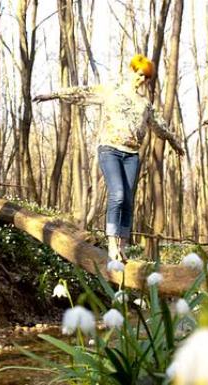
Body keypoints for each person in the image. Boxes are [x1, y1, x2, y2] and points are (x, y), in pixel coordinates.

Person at [33, 54, 185, 261]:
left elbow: (159, 126)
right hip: (110, 150)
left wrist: (175, 142)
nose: (142, 80)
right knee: (119, 193)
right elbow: (81, 92)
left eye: (146, 78)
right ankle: (112, 243)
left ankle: (122, 246)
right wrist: (53, 94)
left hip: (131, 155)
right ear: (132, 71)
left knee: (128, 200)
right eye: (140, 75)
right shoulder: (111, 91)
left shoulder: (144, 104)